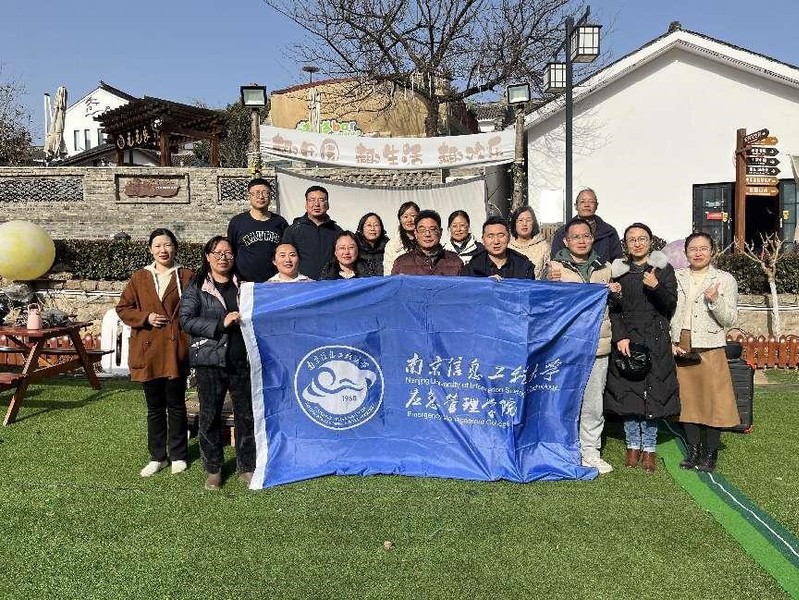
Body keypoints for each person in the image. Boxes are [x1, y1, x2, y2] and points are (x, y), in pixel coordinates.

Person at [116, 228, 194, 477]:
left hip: (174, 349)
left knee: (176, 405)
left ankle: (179, 454)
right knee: (154, 407)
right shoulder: (140, 277)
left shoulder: (186, 276)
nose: (163, 250)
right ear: (150, 249)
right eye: (158, 245)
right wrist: (145, 317)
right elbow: (123, 307)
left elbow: (196, 307)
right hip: (147, 349)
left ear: (175, 248)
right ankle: (157, 456)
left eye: (167, 245)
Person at [179, 236, 255, 491]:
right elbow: (186, 320)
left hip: (242, 359)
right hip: (210, 360)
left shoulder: (244, 285)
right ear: (207, 257)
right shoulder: (197, 286)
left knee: (246, 415)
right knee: (209, 415)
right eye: (217, 252)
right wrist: (220, 324)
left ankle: (247, 465)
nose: (223, 257)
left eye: (228, 252)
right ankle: (214, 469)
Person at [605, 223, 679, 473]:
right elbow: (613, 310)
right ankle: (632, 445)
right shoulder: (618, 272)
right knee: (629, 393)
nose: (637, 243)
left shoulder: (663, 269)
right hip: (627, 338)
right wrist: (620, 336)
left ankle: (649, 448)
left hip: (656, 338)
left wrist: (656, 286)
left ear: (650, 241)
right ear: (626, 244)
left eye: (642, 238)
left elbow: (669, 305)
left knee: (653, 392)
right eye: (632, 239)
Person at [547, 218, 618, 474]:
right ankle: (562, 449)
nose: (581, 241)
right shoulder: (554, 267)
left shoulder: (605, 268)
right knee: (562, 400)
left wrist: (615, 292)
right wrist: (549, 281)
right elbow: (544, 302)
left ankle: (590, 451)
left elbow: (614, 306)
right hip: (566, 346)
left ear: (592, 239)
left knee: (593, 403)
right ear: (566, 241)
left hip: (598, 345)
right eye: (575, 237)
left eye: (585, 236)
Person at [671, 232, 740, 472]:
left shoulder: (724, 279)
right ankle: (693, 450)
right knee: (687, 400)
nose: (698, 253)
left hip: (710, 345)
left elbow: (729, 319)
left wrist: (715, 300)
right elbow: (667, 311)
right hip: (682, 342)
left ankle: (710, 453)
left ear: (712, 251)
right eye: (693, 249)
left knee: (715, 401)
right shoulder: (676, 276)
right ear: (686, 252)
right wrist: (670, 340)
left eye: (703, 248)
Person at [227, 177, 289, 282]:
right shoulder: (237, 222)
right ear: (249, 196)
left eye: (265, 193)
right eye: (256, 193)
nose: (261, 196)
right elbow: (231, 251)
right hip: (245, 282)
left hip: (275, 281)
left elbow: (286, 250)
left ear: (270, 196)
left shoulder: (280, 222)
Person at [282, 185, 342, 280]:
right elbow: (285, 259)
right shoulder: (293, 230)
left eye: (321, 200)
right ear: (306, 204)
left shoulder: (336, 231)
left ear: (327, 205)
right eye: (312, 200)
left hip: (331, 283)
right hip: (302, 283)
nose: (316, 204)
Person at [550, 188, 623, 264]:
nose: (586, 205)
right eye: (582, 202)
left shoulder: (609, 232)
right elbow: (555, 262)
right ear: (576, 206)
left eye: (591, 201)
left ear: (596, 206)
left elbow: (617, 262)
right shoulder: (562, 233)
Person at [391, 210, 463, 276]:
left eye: (432, 229)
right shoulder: (401, 263)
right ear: (415, 233)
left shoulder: (455, 262)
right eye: (422, 230)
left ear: (440, 232)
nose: (427, 234)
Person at [460, 216, 535, 279]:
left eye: (501, 235)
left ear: (509, 237)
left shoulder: (524, 266)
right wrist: (484, 284)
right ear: (483, 239)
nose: (496, 241)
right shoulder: (471, 268)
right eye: (490, 236)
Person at [508, 205, 550, 279]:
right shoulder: (507, 245)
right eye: (520, 220)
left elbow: (548, 275)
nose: (524, 224)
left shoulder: (543, 247)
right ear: (514, 223)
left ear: (533, 223)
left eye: (528, 220)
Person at [382, 201, 420, 275]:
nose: (409, 220)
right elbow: (388, 273)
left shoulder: (427, 240)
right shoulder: (392, 245)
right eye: (405, 217)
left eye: (413, 216)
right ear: (400, 220)